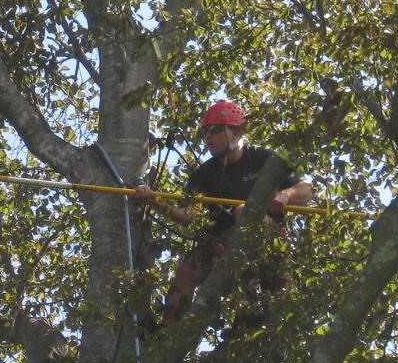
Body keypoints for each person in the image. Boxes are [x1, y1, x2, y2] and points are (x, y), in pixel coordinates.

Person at [133, 99, 314, 323]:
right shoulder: (203, 176)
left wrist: (284, 195)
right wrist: (155, 201)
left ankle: (269, 299)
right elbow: (188, 215)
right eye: (205, 132)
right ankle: (168, 331)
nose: (208, 137)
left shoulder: (263, 159)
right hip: (224, 246)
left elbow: (308, 190)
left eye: (214, 130)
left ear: (236, 133)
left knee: (243, 211)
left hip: (269, 241)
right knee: (188, 271)